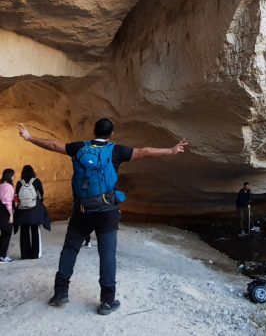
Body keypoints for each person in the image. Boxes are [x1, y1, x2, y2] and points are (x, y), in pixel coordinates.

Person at [17, 118, 187, 315]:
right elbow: (145, 151)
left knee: (70, 249)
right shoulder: (116, 151)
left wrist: (29, 138)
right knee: (107, 254)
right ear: (111, 134)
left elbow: (54, 145)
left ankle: (61, 292)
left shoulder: (80, 147)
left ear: (93, 131)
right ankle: (107, 301)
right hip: (107, 212)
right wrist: (171, 150)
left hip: (82, 210)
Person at [14, 165, 51, 259]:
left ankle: (25, 254)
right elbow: (41, 193)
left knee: (24, 232)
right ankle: (35, 254)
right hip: (34, 209)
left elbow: (18, 194)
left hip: (22, 210)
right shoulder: (36, 181)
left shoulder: (19, 183)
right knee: (35, 231)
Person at [0, 168, 15, 262]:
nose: (14, 178)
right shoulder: (8, 187)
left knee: (2, 234)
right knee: (6, 233)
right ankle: (2, 256)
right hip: (5, 212)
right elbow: (7, 201)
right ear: (10, 177)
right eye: (13, 176)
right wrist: (11, 214)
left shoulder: (1, 185)